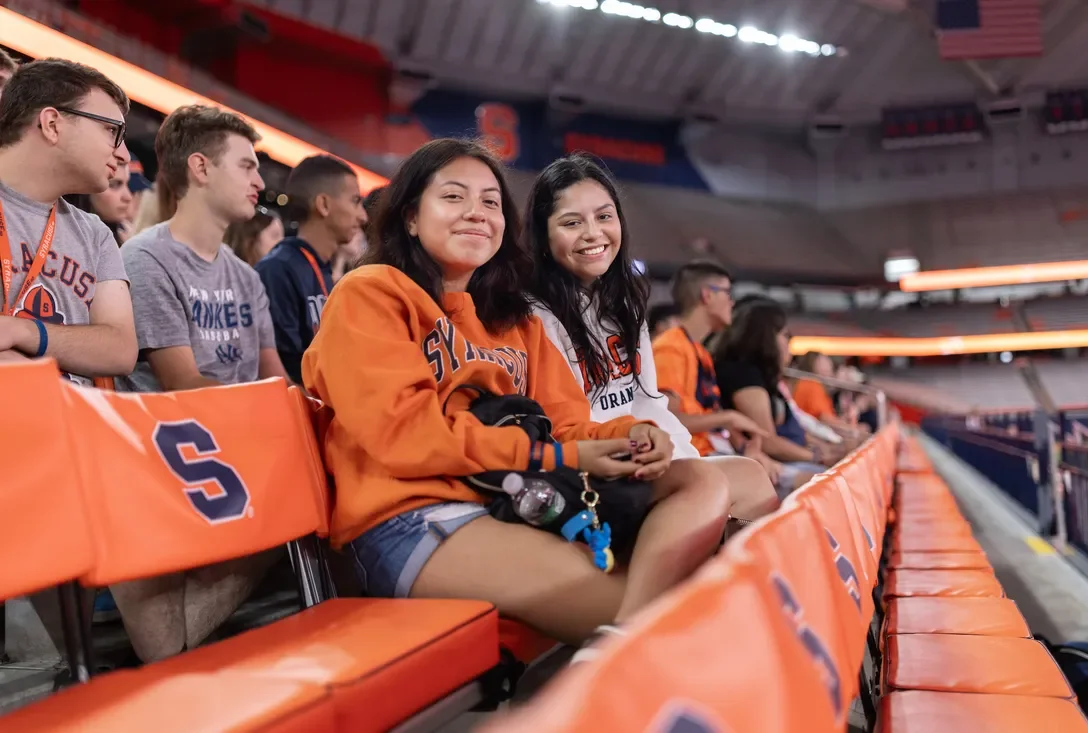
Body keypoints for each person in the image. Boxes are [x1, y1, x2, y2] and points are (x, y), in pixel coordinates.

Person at [302, 139, 729, 649]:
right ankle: (612, 661)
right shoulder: (370, 292)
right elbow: (406, 437)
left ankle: (604, 662)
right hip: (409, 517)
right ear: (411, 217)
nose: (477, 214)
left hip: (511, 499)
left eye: (490, 202)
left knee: (700, 480)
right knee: (662, 610)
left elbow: (567, 423)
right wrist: (560, 453)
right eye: (455, 197)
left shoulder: (514, 321)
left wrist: (632, 434)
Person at [113, 104, 287, 661]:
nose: (261, 181)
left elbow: (275, 376)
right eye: (247, 165)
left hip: (239, 456)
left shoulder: (245, 273)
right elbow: (182, 383)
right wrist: (279, 406)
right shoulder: (144, 259)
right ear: (201, 169)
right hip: (168, 461)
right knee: (164, 648)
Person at [523, 154, 778, 523]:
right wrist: (681, 468)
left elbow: (648, 403)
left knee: (747, 478)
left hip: (644, 452)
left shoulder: (624, 305)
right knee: (742, 483)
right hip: (591, 466)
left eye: (604, 216)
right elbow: (565, 424)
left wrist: (689, 461)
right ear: (543, 237)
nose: (593, 233)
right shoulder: (534, 314)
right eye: (572, 222)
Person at [0, 58, 136, 382]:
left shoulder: (95, 234)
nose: (124, 154)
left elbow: (120, 349)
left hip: (70, 426)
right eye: (111, 130)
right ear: (52, 124)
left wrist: (22, 332)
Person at [651, 262, 780, 481]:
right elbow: (665, 419)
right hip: (690, 460)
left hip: (711, 453)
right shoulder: (670, 347)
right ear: (707, 296)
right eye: (727, 292)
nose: (732, 302)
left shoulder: (700, 351)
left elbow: (708, 416)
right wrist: (728, 418)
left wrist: (747, 448)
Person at [711, 299, 843, 497]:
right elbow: (767, 441)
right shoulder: (742, 374)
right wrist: (818, 456)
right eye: (784, 335)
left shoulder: (763, 376)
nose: (789, 343)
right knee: (832, 486)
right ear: (767, 336)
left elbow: (797, 427)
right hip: (757, 462)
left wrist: (828, 449)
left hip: (776, 460)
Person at [256, 155, 366, 383]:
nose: (362, 216)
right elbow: (285, 372)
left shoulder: (320, 268)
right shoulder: (278, 270)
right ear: (323, 204)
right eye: (355, 201)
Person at [67, 157, 134, 245]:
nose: (128, 197)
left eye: (128, 184)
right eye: (114, 184)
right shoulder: (65, 239)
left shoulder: (127, 238)